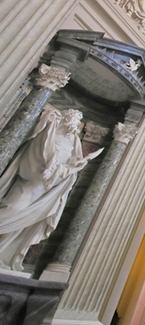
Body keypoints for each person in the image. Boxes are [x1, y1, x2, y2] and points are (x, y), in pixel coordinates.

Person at [0, 106, 102, 270]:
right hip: (32, 181)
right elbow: (35, 155)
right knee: (13, 207)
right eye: (73, 119)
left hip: (48, 190)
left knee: (26, 223)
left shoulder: (73, 140)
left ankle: (3, 253)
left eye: (77, 122)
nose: (74, 125)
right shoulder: (50, 133)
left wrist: (75, 165)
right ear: (65, 118)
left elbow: (70, 162)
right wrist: (50, 168)